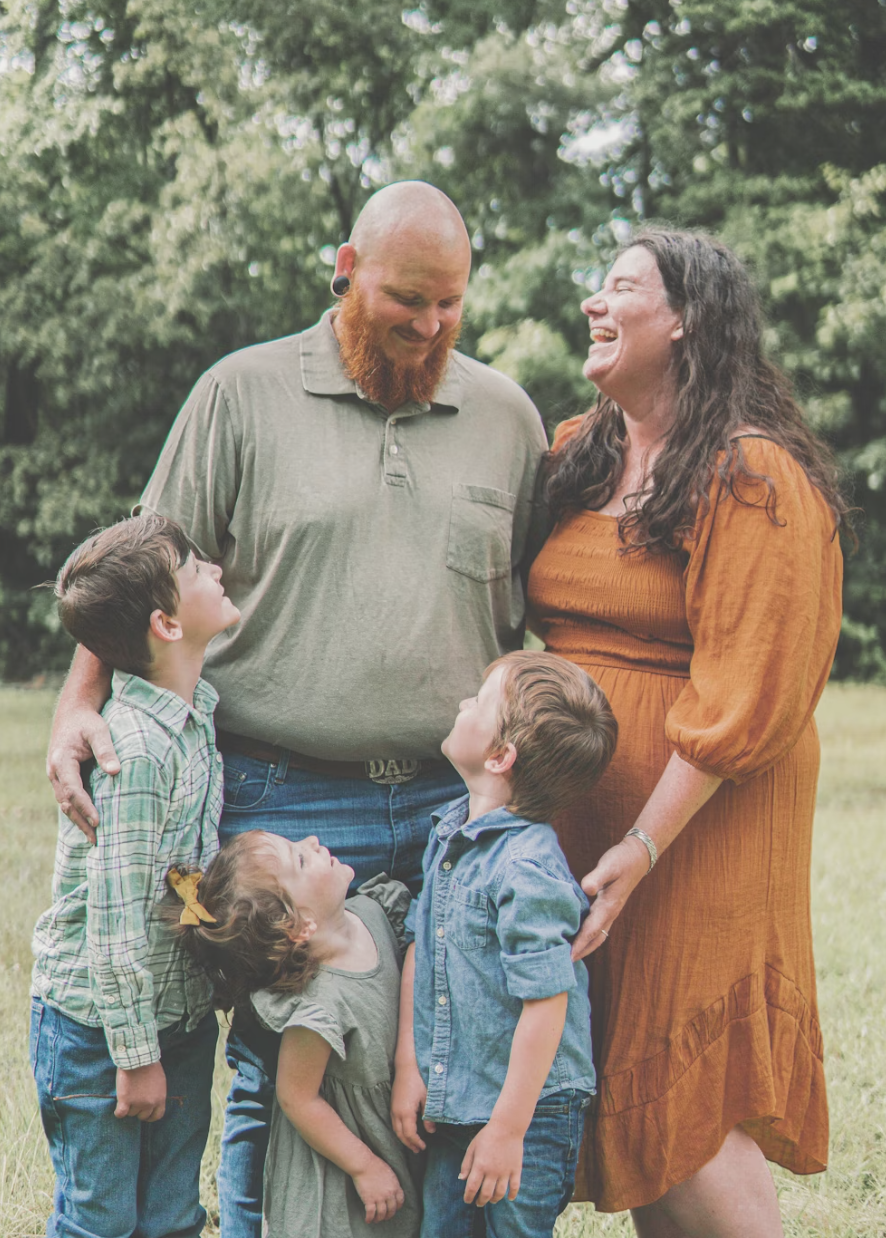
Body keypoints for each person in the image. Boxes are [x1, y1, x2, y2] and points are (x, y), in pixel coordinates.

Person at [44, 180, 547, 1236]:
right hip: (271, 798)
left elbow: (546, 606)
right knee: (262, 1063)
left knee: (436, 1067)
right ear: (346, 267)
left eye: (451, 303)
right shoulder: (240, 391)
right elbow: (138, 575)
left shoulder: (507, 417)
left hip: (448, 806)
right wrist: (72, 711)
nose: (430, 326)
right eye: (408, 299)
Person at [527, 228, 847, 1237]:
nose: (594, 302)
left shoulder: (750, 474)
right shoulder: (583, 449)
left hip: (693, 826)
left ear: (688, 320)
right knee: (635, 1096)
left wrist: (641, 842)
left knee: (689, 1093)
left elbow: (745, 689)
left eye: (621, 286)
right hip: (589, 825)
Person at [30, 515, 240, 1238]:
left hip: (175, 1019)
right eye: (194, 569)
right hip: (101, 1035)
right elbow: (116, 922)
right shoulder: (137, 751)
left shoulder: (194, 717)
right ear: (167, 624)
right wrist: (136, 1057)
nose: (214, 569)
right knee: (103, 1220)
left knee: (174, 1216)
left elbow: (182, 875)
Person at [392, 651, 618, 1237]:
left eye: (480, 700)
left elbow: (547, 1002)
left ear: (499, 756)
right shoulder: (450, 833)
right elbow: (423, 946)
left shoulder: (527, 869)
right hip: (458, 1096)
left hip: (530, 1112)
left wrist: (508, 1130)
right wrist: (410, 1067)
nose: (464, 703)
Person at [174, 833, 420, 1238]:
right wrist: (364, 1166)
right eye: (301, 860)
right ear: (299, 927)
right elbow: (297, 1098)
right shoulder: (320, 1005)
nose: (313, 840)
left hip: (389, 1138)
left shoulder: (375, 913)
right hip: (339, 1186)